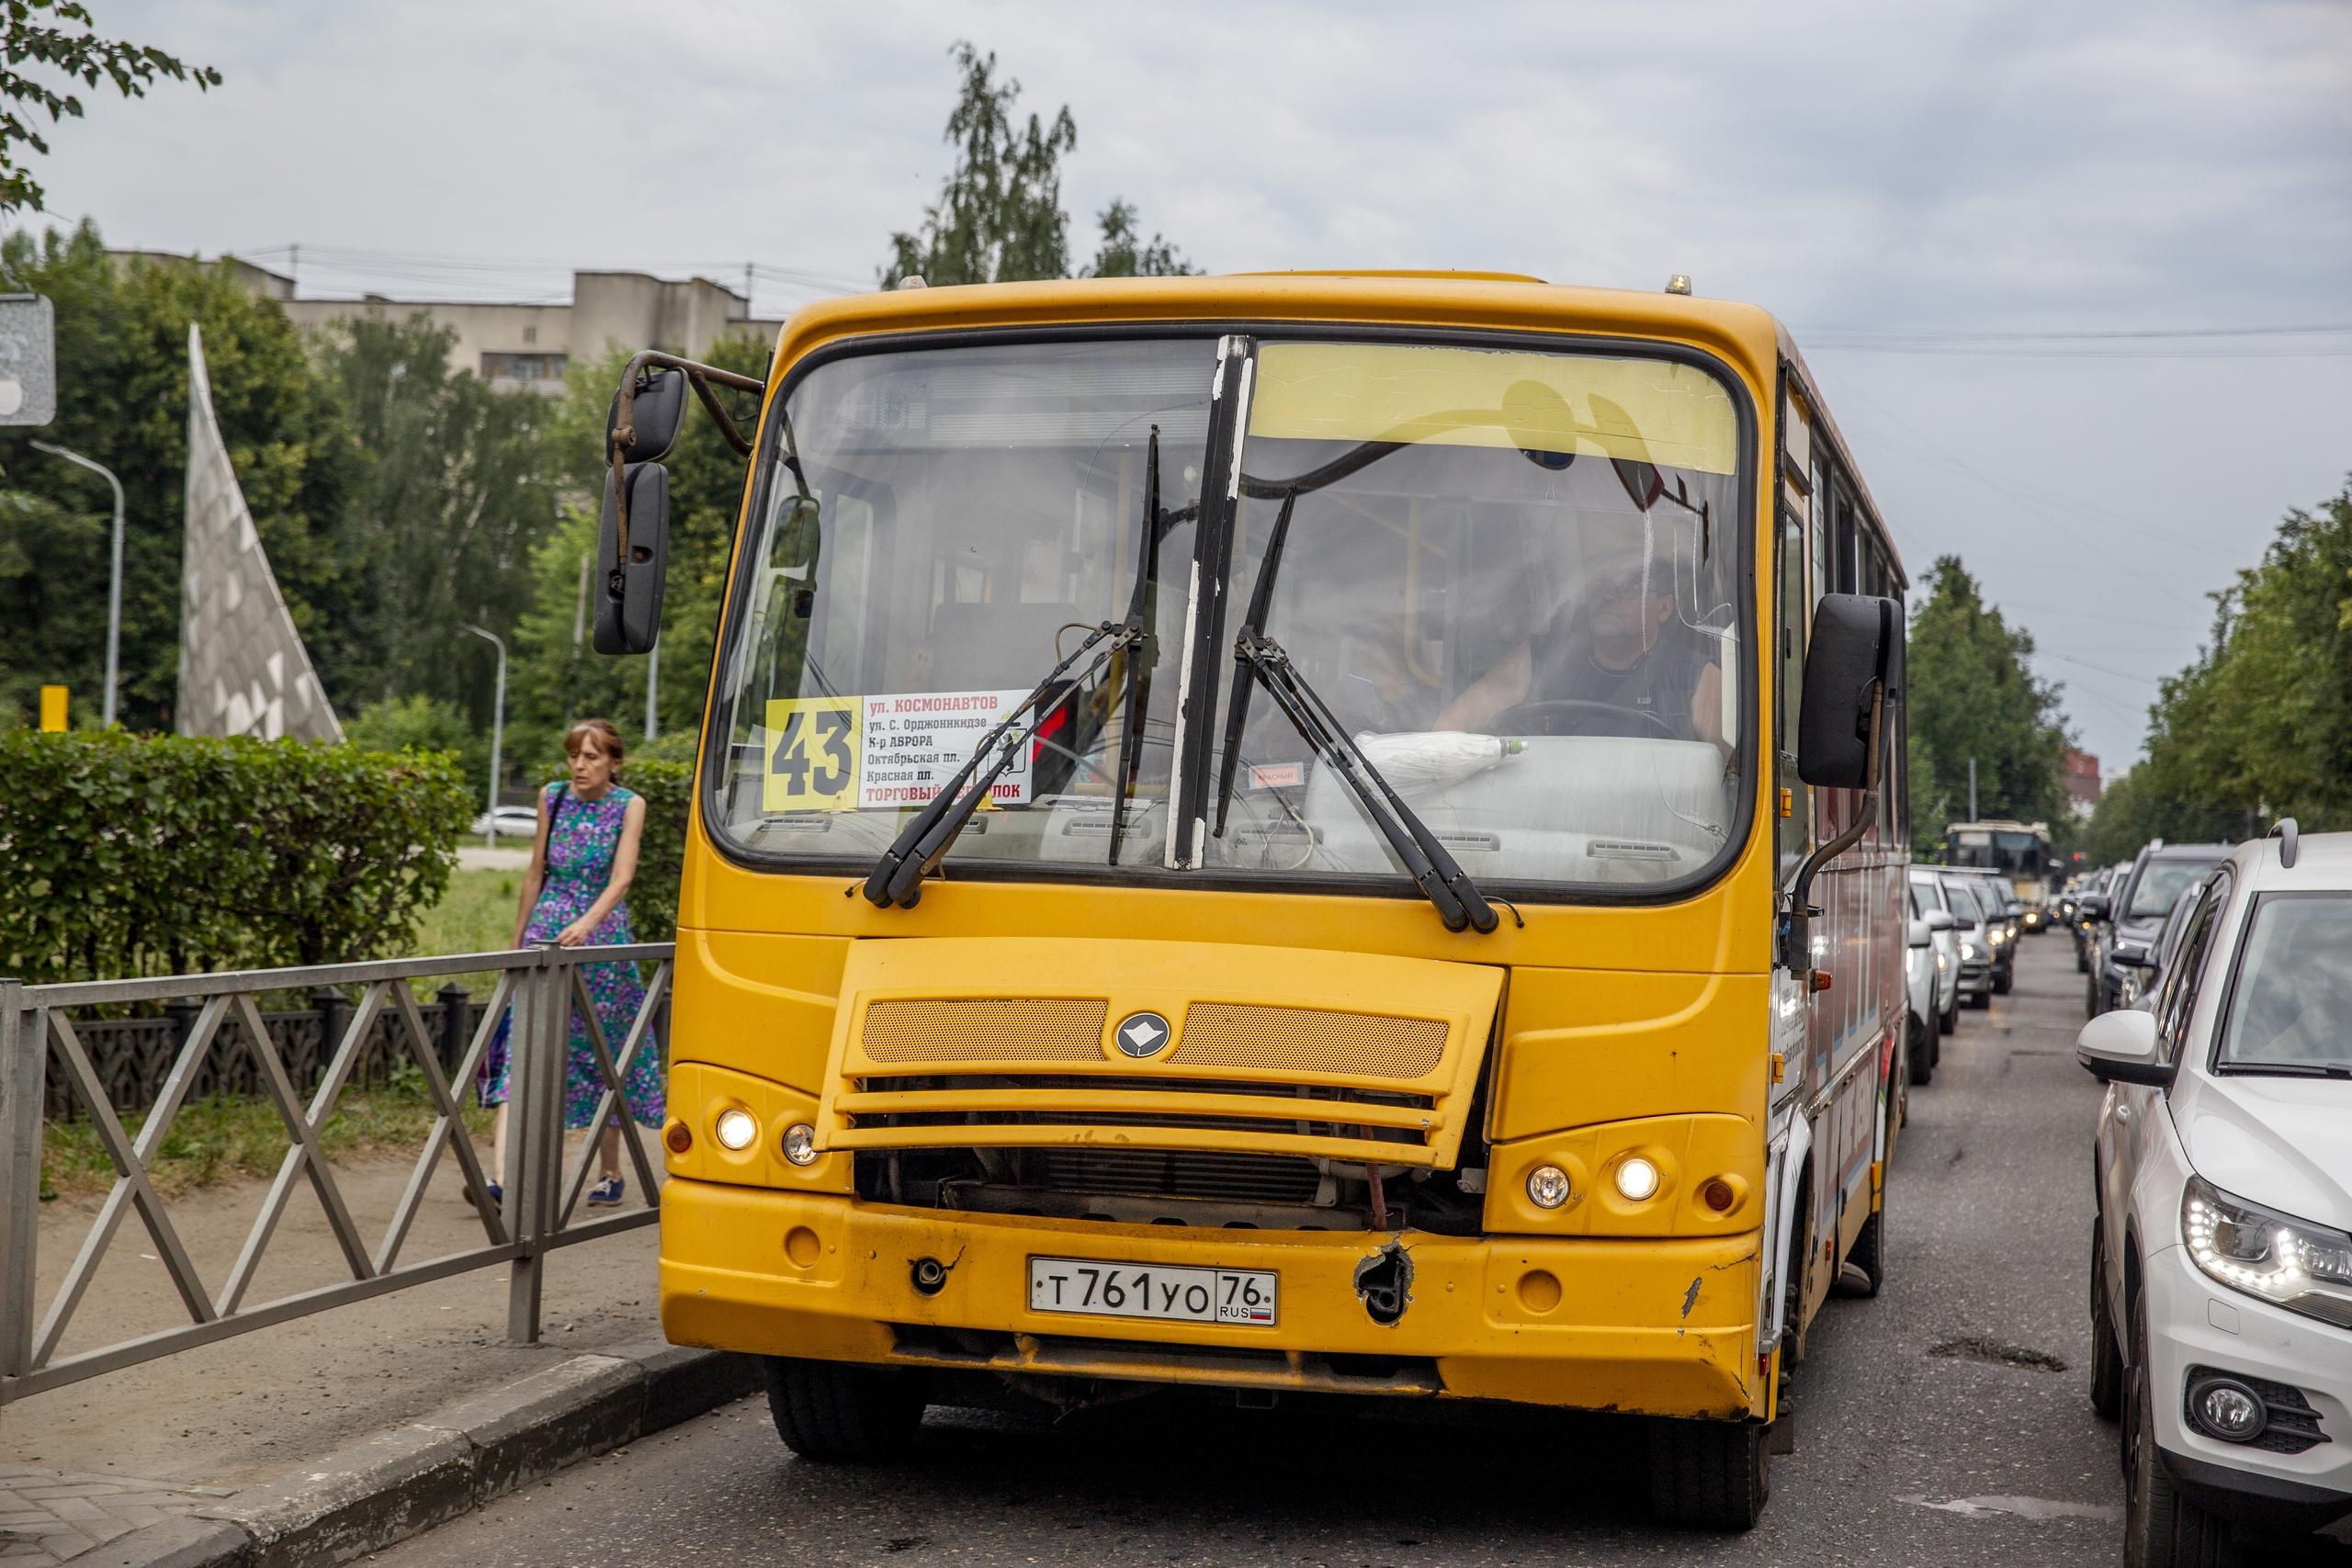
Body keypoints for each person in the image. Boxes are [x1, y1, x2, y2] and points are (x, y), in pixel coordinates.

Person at [476, 718, 664, 1207]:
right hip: (546, 934)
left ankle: (610, 1172)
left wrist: (588, 923)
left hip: (601, 942)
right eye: (574, 756)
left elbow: (622, 878)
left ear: (613, 763)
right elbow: (536, 871)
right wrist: (516, 946)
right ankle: (503, 1181)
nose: (580, 766)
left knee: (604, 1055)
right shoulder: (552, 797)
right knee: (521, 1048)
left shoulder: (629, 805)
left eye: (592, 757)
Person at [1436, 524, 1723, 748]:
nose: (1609, 595)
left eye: (1631, 586)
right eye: (1600, 583)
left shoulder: (1694, 677)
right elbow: (1449, 727)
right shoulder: (1542, 658)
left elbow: (1732, 774)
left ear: (1664, 607)